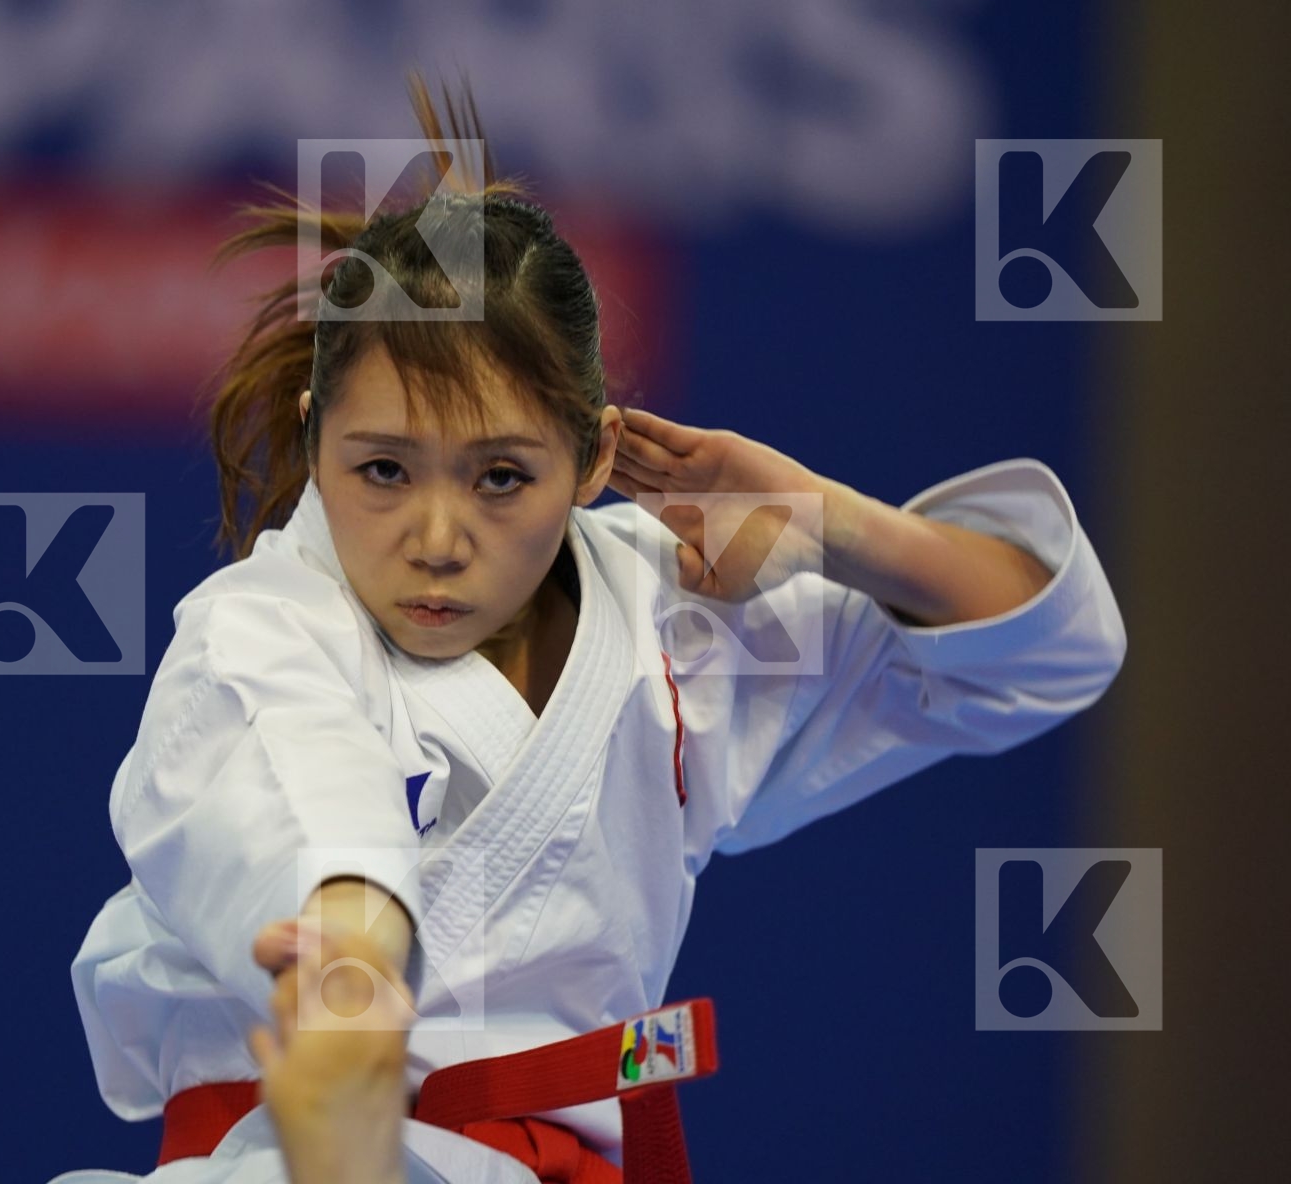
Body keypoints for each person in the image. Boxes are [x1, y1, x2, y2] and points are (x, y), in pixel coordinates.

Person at [56, 72, 1128, 1184]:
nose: (436, 535)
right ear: (314, 434)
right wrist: (353, 993)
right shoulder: (259, 635)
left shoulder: (665, 613)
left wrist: (839, 527)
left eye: (502, 478)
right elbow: (312, 814)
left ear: (597, 459)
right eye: (382, 470)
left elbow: (1044, 655)